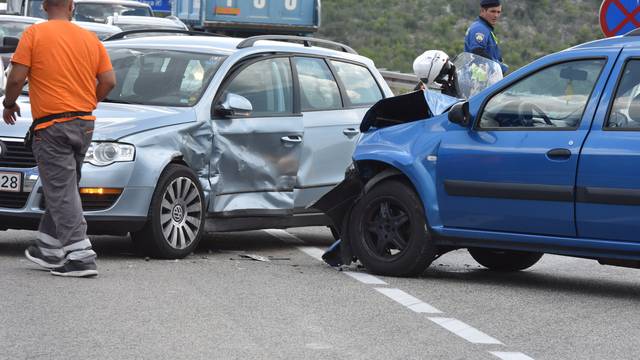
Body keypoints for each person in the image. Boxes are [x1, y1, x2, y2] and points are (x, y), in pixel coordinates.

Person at [2, 0, 116, 277]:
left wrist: (9, 103)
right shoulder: (90, 39)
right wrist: (88, 102)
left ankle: (80, 256)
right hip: (84, 123)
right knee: (64, 185)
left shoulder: (35, 34)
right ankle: (49, 246)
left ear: (43, 6)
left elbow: (16, 78)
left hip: (53, 124)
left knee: (61, 188)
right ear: (71, 6)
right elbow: (109, 80)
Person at [464, 0, 509, 75]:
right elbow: (477, 52)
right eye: (492, 11)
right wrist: (499, 66)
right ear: (482, 11)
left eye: (498, 12)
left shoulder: (486, 29)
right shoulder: (479, 28)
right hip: (477, 81)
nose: (496, 15)